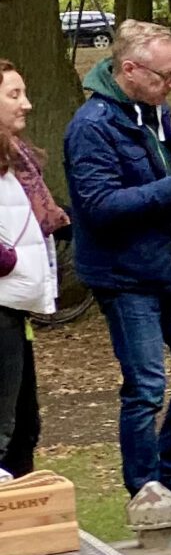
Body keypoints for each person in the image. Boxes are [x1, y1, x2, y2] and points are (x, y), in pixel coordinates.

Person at [63, 19, 171, 511]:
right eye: (165, 76)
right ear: (131, 70)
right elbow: (98, 207)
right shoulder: (92, 126)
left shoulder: (156, 112)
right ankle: (147, 492)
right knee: (145, 386)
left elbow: (158, 177)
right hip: (123, 275)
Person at [0, 61, 63, 476]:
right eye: (13, 95)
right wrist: (10, 262)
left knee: (24, 426)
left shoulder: (15, 157)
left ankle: (24, 528)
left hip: (14, 305)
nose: (28, 104)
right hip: (3, 299)